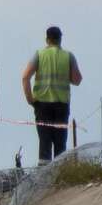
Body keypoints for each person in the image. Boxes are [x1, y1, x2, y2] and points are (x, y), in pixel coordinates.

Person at [20, 26, 82, 163]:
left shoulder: (39, 55)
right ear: (60, 39)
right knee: (60, 141)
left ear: (47, 40)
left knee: (44, 140)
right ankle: (59, 172)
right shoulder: (68, 56)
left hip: (42, 104)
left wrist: (30, 99)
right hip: (61, 104)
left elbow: (25, 77)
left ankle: (43, 171)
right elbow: (77, 80)